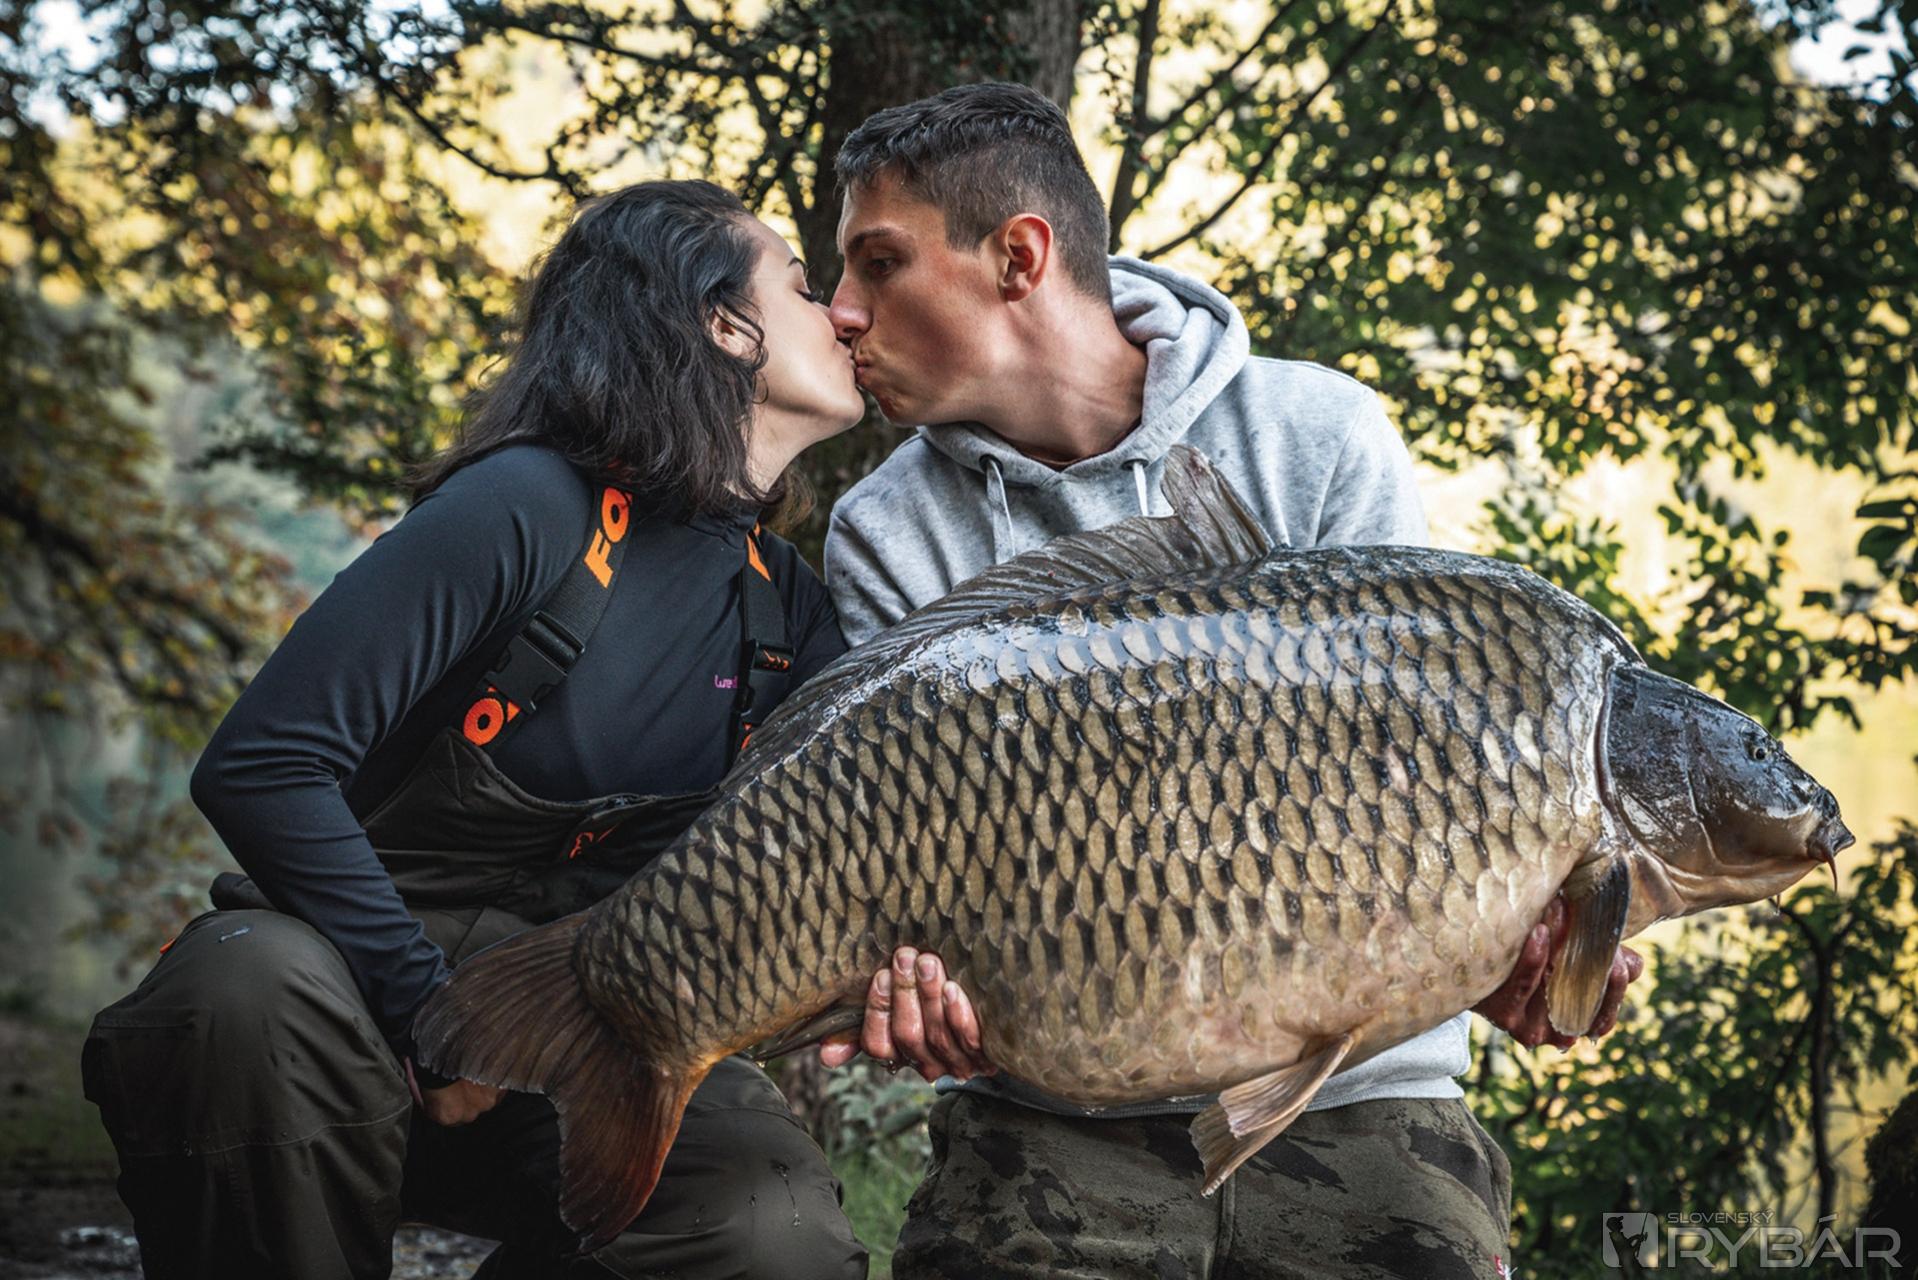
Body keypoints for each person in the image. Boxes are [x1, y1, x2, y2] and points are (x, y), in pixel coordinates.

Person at [815, 82, 1646, 1279]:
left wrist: (1499, 959)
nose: (839, 311)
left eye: (878, 263)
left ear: (1019, 258)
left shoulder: (1318, 434)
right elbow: (906, 876)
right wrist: (919, 999)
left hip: (1362, 1094)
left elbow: (1428, 790)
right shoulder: (885, 528)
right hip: (1059, 1112)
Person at [81, 180, 871, 1280]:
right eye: (803, 285)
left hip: (589, 1021)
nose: (843, 313)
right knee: (239, 997)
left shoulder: (790, 611)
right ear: (725, 325)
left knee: (768, 1229)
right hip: (343, 1005)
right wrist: (431, 1018)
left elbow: (838, 865)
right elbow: (264, 765)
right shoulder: (526, 507)